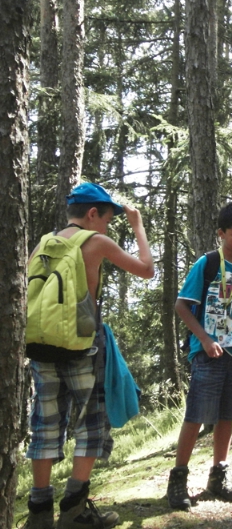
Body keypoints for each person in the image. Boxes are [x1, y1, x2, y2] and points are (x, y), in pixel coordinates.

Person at [24, 183, 155, 529]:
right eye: (108, 220)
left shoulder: (44, 243)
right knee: (91, 425)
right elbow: (147, 269)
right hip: (83, 346)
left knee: (44, 425)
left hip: (41, 347)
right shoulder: (95, 242)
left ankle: (39, 513)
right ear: (93, 213)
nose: (108, 227)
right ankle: (74, 511)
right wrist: (138, 225)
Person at [166, 202, 232, 511]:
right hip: (207, 353)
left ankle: (218, 477)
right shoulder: (207, 263)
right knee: (196, 415)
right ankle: (178, 479)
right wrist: (205, 340)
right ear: (221, 233)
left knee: (227, 416)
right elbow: (182, 305)